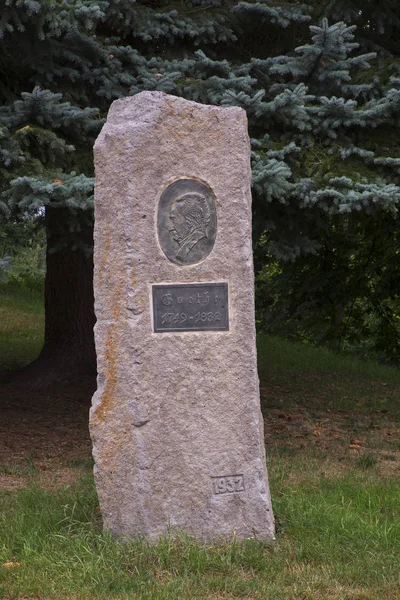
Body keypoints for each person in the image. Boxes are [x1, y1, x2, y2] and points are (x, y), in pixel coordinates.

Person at [169, 192, 211, 261]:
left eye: (174, 218)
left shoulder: (200, 244)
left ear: (189, 221)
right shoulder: (185, 243)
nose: (171, 227)